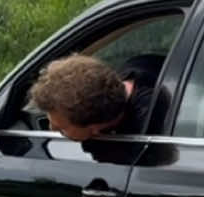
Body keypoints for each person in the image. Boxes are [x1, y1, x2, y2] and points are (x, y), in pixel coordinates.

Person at [29, 52, 163, 142]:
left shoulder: (148, 131)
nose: (51, 129)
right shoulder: (141, 63)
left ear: (95, 128)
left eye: (62, 129)